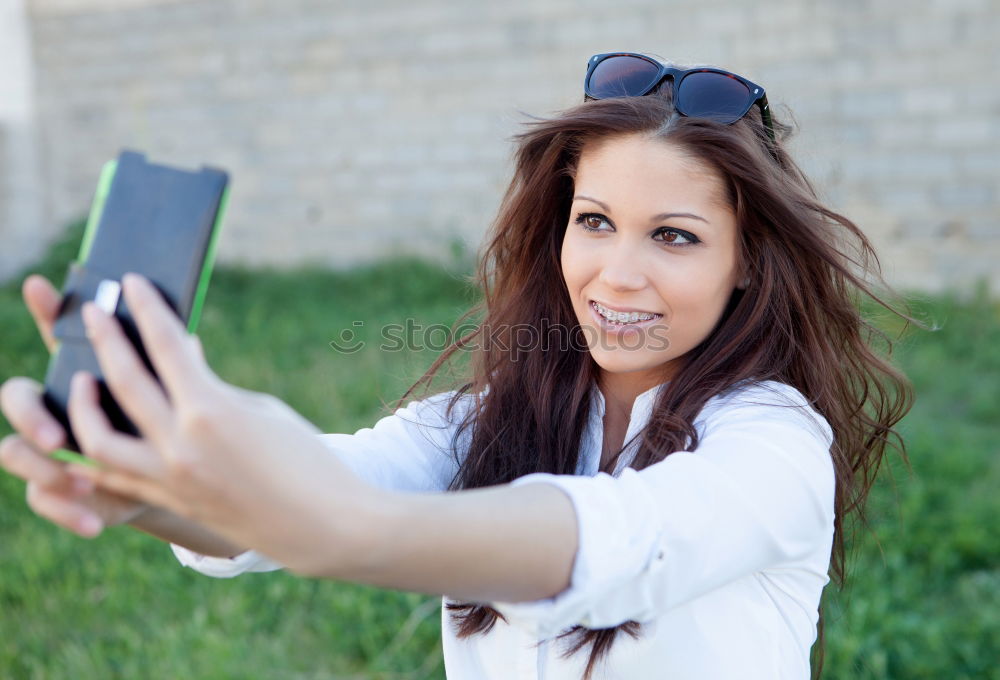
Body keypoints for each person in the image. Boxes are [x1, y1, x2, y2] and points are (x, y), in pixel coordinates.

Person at [0, 53, 918, 680]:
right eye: (593, 221)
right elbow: (327, 478)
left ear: (747, 261)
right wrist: (143, 482)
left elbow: (629, 540)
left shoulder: (774, 445)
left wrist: (353, 531)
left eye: (674, 236)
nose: (616, 273)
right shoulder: (495, 414)